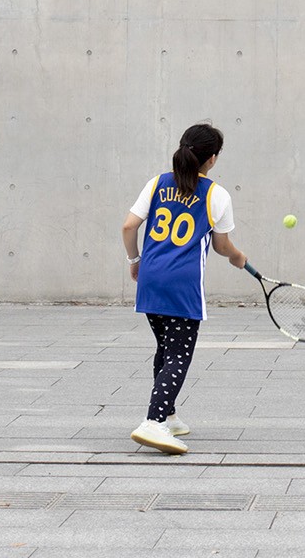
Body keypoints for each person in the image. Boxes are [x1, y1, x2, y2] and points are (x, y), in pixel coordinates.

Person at [120, 122, 246, 454]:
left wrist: (134, 260)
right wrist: (238, 257)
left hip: (150, 279)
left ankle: (169, 415)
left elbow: (129, 226)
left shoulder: (157, 183)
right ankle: (153, 422)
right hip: (182, 285)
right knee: (178, 355)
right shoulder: (217, 195)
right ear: (212, 158)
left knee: (165, 348)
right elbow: (222, 246)